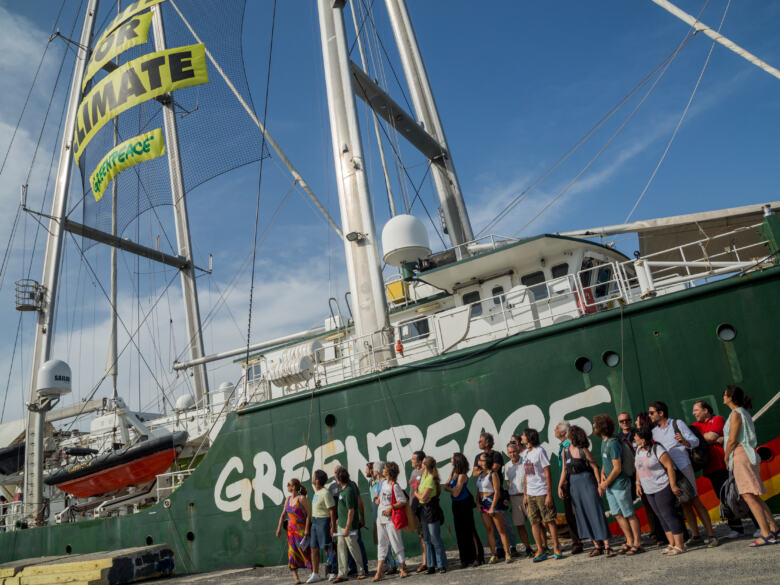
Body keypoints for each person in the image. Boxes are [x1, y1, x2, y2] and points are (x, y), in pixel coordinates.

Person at [649, 401, 719, 547]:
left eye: (652, 413)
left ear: (660, 413)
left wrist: (685, 441)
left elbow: (695, 441)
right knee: (684, 503)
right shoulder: (654, 432)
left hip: (683, 467)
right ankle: (696, 535)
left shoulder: (677, 424)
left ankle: (712, 535)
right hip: (669, 471)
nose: (650, 416)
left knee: (694, 500)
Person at [722, 385, 779, 547]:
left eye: (725, 394)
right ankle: (773, 528)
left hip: (740, 455)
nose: (723, 397)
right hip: (747, 454)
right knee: (754, 495)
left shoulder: (735, 414)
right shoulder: (743, 412)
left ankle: (766, 534)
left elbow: (732, 439)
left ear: (731, 397)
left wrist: (726, 457)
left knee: (748, 495)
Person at [691, 400, 754, 538]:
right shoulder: (695, 425)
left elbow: (711, 436)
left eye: (696, 410)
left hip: (726, 464)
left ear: (706, 410)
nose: (693, 413)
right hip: (711, 469)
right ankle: (736, 528)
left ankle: (759, 525)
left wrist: (698, 439)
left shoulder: (717, 419)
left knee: (742, 495)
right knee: (724, 499)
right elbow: (694, 438)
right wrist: (704, 439)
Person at [557, 425, 612, 557]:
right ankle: (596, 546)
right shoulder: (565, 451)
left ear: (573, 435)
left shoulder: (583, 450)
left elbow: (594, 466)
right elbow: (564, 469)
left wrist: (599, 484)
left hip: (587, 481)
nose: (566, 435)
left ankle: (607, 546)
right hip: (574, 484)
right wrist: (559, 486)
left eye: (568, 433)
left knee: (595, 511)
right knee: (582, 514)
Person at [593, 414, 643, 555]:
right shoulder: (604, 442)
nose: (593, 427)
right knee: (617, 514)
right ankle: (629, 540)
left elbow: (617, 468)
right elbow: (606, 461)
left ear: (601, 427)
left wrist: (605, 483)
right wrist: (603, 474)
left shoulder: (613, 443)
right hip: (610, 486)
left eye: (595, 424)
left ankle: (637, 543)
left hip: (620, 484)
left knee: (629, 514)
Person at [633, 426, 687, 555]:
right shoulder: (639, 450)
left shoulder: (658, 449)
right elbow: (638, 468)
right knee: (660, 516)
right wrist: (637, 484)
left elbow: (669, 466)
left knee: (669, 515)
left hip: (662, 486)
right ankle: (672, 543)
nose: (634, 438)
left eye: (636, 437)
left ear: (643, 439)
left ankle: (680, 544)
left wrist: (673, 485)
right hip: (648, 489)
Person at [471, 431, 517, 558]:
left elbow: (494, 468)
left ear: (487, 443)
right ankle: (499, 548)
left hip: (497, 494)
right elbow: (474, 474)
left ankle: (512, 547)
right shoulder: (478, 457)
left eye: (481, 441)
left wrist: (482, 467)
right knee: (491, 528)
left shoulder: (496, 455)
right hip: (484, 498)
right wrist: (483, 467)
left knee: (504, 524)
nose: (478, 443)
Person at [521, 427, 562, 562]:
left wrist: (549, 494)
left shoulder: (540, 451)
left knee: (549, 520)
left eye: (523, 435)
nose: (521, 437)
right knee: (534, 522)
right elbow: (527, 475)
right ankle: (540, 549)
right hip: (531, 494)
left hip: (542, 492)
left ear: (529, 437)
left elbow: (547, 472)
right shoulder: (526, 453)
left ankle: (556, 547)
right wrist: (525, 494)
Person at [444, 452, 484, 567]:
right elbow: (445, 487)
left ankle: (478, 557)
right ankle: (465, 559)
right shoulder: (453, 472)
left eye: (452, 457)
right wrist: (451, 488)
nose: (450, 459)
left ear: (456, 460)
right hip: (455, 505)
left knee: (470, 530)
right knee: (460, 532)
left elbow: (455, 493)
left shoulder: (462, 475)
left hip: (464, 504)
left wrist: (450, 488)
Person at [475, 452, 513, 564]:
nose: (478, 462)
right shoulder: (480, 474)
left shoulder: (493, 474)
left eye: (481, 460)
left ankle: (507, 553)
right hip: (483, 503)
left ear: (486, 462)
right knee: (489, 530)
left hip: (493, 502)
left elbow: (497, 492)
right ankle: (493, 554)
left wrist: (492, 507)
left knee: (501, 529)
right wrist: (477, 502)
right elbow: (478, 491)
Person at [374, 462, 408, 581]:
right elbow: (381, 497)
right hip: (380, 518)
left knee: (396, 543)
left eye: (385, 468)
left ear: (389, 472)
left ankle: (402, 568)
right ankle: (379, 572)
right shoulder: (383, 483)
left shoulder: (395, 486)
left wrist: (391, 507)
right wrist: (378, 499)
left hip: (391, 519)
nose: (383, 469)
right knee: (381, 544)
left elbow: (403, 501)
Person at [331, 468, 367, 582]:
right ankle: (342, 574)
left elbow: (351, 511)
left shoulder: (349, 491)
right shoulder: (343, 489)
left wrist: (347, 527)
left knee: (353, 548)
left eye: (336, 476)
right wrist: (338, 520)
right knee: (341, 549)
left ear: (339, 479)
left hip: (349, 527)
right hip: (341, 524)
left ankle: (361, 571)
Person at [415, 456, 448, 574]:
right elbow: (423, 497)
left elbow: (422, 497)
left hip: (431, 510)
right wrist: (421, 495)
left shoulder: (430, 479)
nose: (420, 464)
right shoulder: (424, 476)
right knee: (427, 539)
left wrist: (416, 493)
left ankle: (441, 564)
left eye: (423, 463)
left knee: (435, 538)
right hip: (423, 510)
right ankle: (430, 565)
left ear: (426, 465)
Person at [276, 478, 312, 584]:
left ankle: (314, 572)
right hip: (290, 531)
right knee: (292, 553)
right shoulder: (287, 499)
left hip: (301, 530)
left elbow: (309, 514)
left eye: (289, 484)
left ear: (294, 487)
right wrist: (279, 528)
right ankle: (296, 577)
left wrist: (306, 528)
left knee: (305, 551)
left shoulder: (302, 499)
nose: (287, 486)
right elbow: (283, 515)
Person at [555, 421, 582, 554]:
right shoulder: (562, 446)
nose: (554, 430)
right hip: (566, 482)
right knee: (569, 513)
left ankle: (579, 541)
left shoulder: (568, 445)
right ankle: (575, 541)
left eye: (556, 428)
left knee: (575, 512)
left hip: (572, 481)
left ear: (563, 433)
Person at [504, 441, 533, 557]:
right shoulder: (506, 466)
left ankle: (543, 547)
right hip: (514, 498)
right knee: (520, 525)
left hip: (529, 496)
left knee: (535, 523)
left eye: (514, 451)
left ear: (518, 451)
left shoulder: (527, 461)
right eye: (510, 452)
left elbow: (532, 478)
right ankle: (528, 548)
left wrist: (527, 495)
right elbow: (508, 482)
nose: (512, 454)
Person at [306, 470, 336, 583]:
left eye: (313, 477)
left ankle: (333, 571)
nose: (312, 479)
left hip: (324, 521)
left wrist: (332, 526)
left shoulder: (325, 493)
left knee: (328, 547)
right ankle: (315, 573)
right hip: (315, 522)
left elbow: (332, 511)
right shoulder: (317, 492)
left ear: (317, 480)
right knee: (314, 548)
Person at [368, 463, 398, 574]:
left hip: (389, 514)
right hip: (380, 516)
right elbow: (376, 498)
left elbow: (379, 498)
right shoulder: (380, 483)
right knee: (383, 541)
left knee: (392, 540)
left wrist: (378, 499)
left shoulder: (386, 482)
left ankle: (397, 564)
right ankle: (390, 564)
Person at [408, 450, 428, 573]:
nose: (411, 460)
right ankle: (425, 561)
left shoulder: (425, 472)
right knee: (421, 535)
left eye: (413, 459)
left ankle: (430, 561)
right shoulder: (413, 472)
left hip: (423, 508)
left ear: (420, 461)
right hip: (414, 509)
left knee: (427, 534)